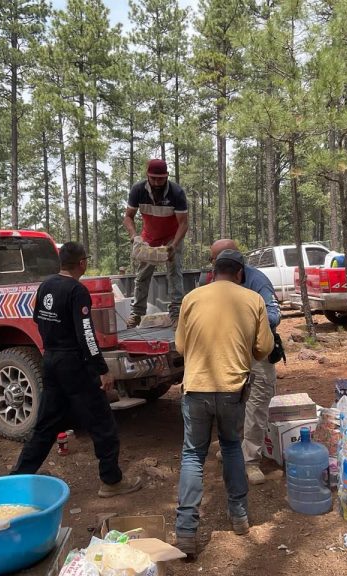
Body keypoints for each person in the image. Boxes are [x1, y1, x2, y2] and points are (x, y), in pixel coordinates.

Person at [11, 242, 142, 498]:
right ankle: (111, 481)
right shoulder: (77, 290)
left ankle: (16, 480)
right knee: (102, 423)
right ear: (82, 263)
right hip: (74, 364)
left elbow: (38, 319)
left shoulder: (46, 285)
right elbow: (86, 335)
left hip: (51, 360)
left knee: (45, 425)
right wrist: (102, 369)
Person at [174, 249, 274, 557]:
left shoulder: (191, 298)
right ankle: (239, 517)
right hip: (233, 390)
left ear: (213, 272)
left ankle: (186, 530)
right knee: (231, 446)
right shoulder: (253, 300)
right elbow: (264, 348)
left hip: (196, 389)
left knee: (193, 455)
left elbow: (181, 346)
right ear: (240, 273)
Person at [210, 239, 280, 485]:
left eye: (214, 261)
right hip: (227, 352)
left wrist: (242, 325)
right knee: (231, 402)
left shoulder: (257, 280)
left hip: (256, 352)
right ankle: (232, 445)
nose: (213, 267)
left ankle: (250, 460)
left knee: (256, 404)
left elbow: (274, 315)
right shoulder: (212, 280)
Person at [123, 159, 188, 328]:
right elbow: (128, 217)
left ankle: (176, 313)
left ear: (167, 176)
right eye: (153, 178)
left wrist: (174, 245)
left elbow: (183, 223)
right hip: (149, 238)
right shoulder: (138, 190)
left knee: (175, 273)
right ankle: (137, 313)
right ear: (147, 176)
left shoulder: (176, 192)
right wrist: (135, 237)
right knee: (142, 275)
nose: (157, 182)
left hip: (172, 237)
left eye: (161, 179)